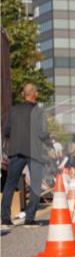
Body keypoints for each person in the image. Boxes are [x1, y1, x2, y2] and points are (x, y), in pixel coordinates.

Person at [2, 84, 50, 228]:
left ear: (24, 94)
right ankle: (29, 219)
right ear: (35, 94)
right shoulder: (39, 111)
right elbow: (42, 133)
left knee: (10, 184)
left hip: (16, 150)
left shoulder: (14, 110)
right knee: (35, 185)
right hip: (34, 151)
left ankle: (5, 218)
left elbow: (6, 131)